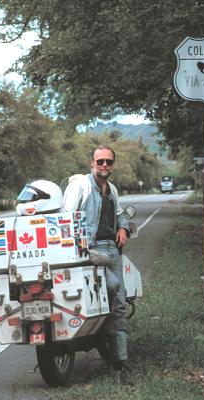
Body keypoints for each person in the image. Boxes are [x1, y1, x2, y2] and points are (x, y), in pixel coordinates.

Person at [62, 145, 130, 370]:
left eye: (108, 162)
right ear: (92, 163)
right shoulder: (80, 186)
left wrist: (123, 228)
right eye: (99, 161)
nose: (104, 165)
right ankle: (99, 332)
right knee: (111, 285)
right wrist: (76, 248)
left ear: (113, 165)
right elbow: (66, 218)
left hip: (112, 247)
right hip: (89, 249)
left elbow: (120, 213)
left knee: (120, 301)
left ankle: (120, 360)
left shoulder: (112, 189)